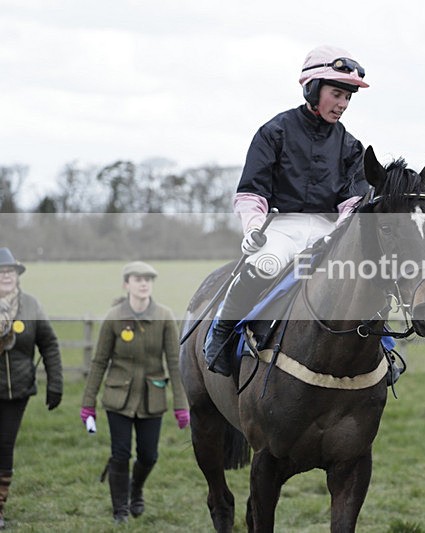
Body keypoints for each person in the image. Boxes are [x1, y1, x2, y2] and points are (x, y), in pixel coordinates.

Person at [204, 44, 370, 376]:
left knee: (359, 278)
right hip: (282, 227)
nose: (342, 104)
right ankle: (221, 333)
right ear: (312, 88)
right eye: (337, 93)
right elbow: (252, 191)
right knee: (264, 266)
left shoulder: (352, 146)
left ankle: (380, 352)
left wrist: (340, 237)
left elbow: (353, 202)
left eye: (348, 97)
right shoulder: (274, 132)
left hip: (327, 230)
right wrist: (252, 229)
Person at [80, 262, 189, 524]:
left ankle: (136, 489)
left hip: (153, 398)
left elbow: (175, 363)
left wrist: (181, 405)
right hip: (118, 398)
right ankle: (120, 512)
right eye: (138, 279)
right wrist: (88, 404)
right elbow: (99, 362)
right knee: (120, 454)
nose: (144, 284)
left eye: (148, 280)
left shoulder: (164, 316)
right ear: (126, 284)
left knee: (148, 455)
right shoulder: (114, 317)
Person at [0, 248, 62, 530]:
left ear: (17, 275)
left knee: (4, 446)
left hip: (18, 392)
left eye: (10, 271)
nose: (6, 276)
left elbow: (48, 343)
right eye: (1, 272)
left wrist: (55, 382)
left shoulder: (31, 306)